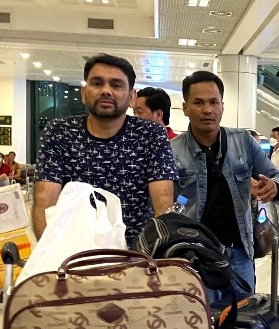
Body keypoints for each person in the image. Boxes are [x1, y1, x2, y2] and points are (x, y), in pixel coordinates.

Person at [170, 70, 279, 304]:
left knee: (243, 319)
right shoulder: (173, 150)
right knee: (202, 319)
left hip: (240, 254)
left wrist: (275, 187)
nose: (207, 109)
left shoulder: (243, 142)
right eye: (198, 103)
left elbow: (278, 177)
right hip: (195, 258)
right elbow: (167, 207)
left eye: (214, 102)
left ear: (222, 106)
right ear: (185, 108)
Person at [34, 53, 177, 241]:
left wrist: (158, 251)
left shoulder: (151, 134)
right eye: (97, 83)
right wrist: (51, 253)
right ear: (84, 93)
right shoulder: (59, 132)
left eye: (116, 85)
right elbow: (44, 203)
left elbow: (163, 205)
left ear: (131, 97)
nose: (106, 91)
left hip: (137, 251)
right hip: (73, 250)